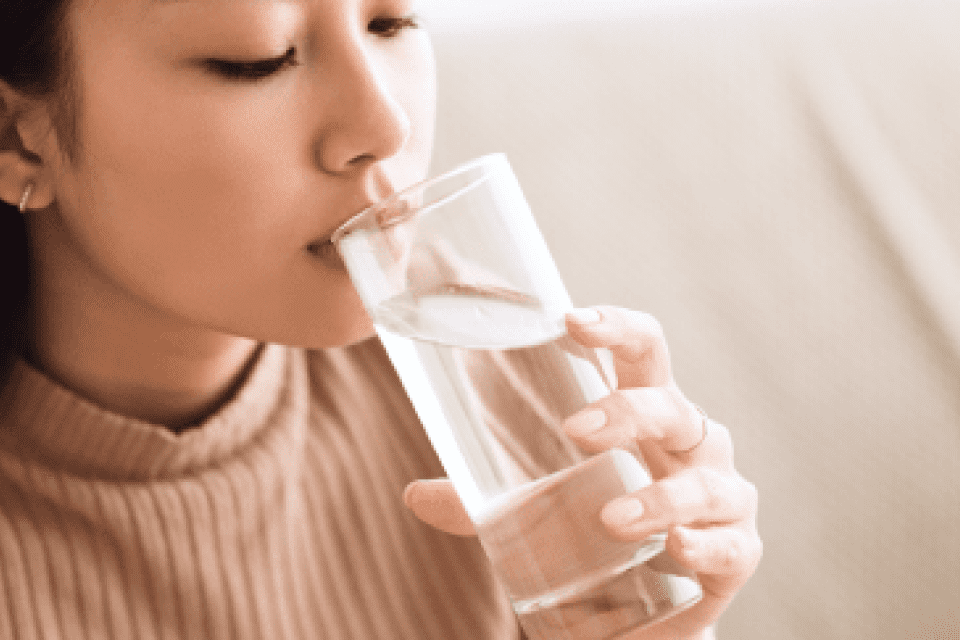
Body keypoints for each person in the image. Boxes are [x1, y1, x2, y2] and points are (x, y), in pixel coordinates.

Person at [0, 0, 761, 638]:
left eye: (390, 22)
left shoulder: (478, 347)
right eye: (257, 60)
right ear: (14, 137)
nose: (384, 125)